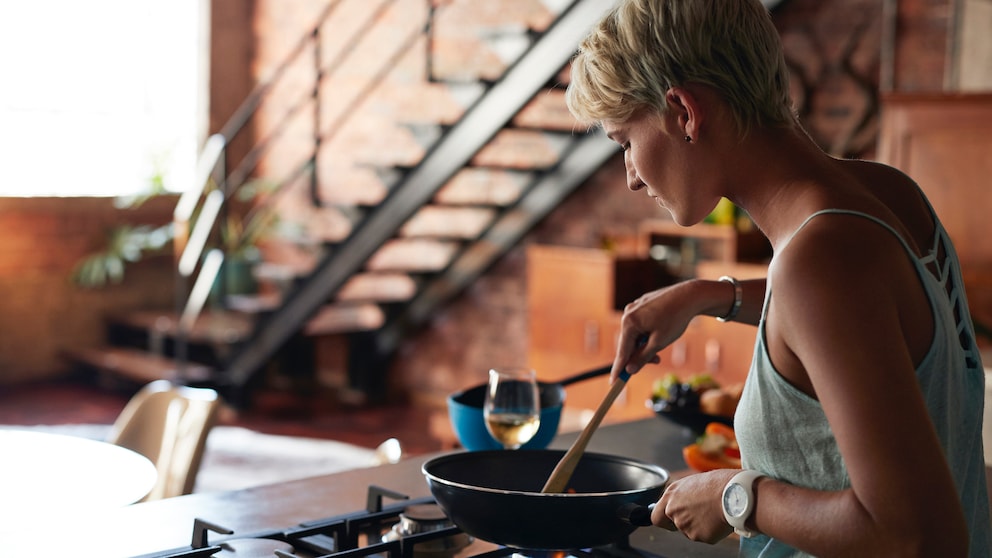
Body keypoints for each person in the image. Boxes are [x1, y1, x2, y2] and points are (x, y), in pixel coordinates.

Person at [565, 0, 990, 556]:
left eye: (625, 142)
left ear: (684, 112)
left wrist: (736, 497)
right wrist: (707, 296)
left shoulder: (819, 264)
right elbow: (870, 323)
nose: (631, 179)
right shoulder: (888, 195)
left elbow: (918, 538)